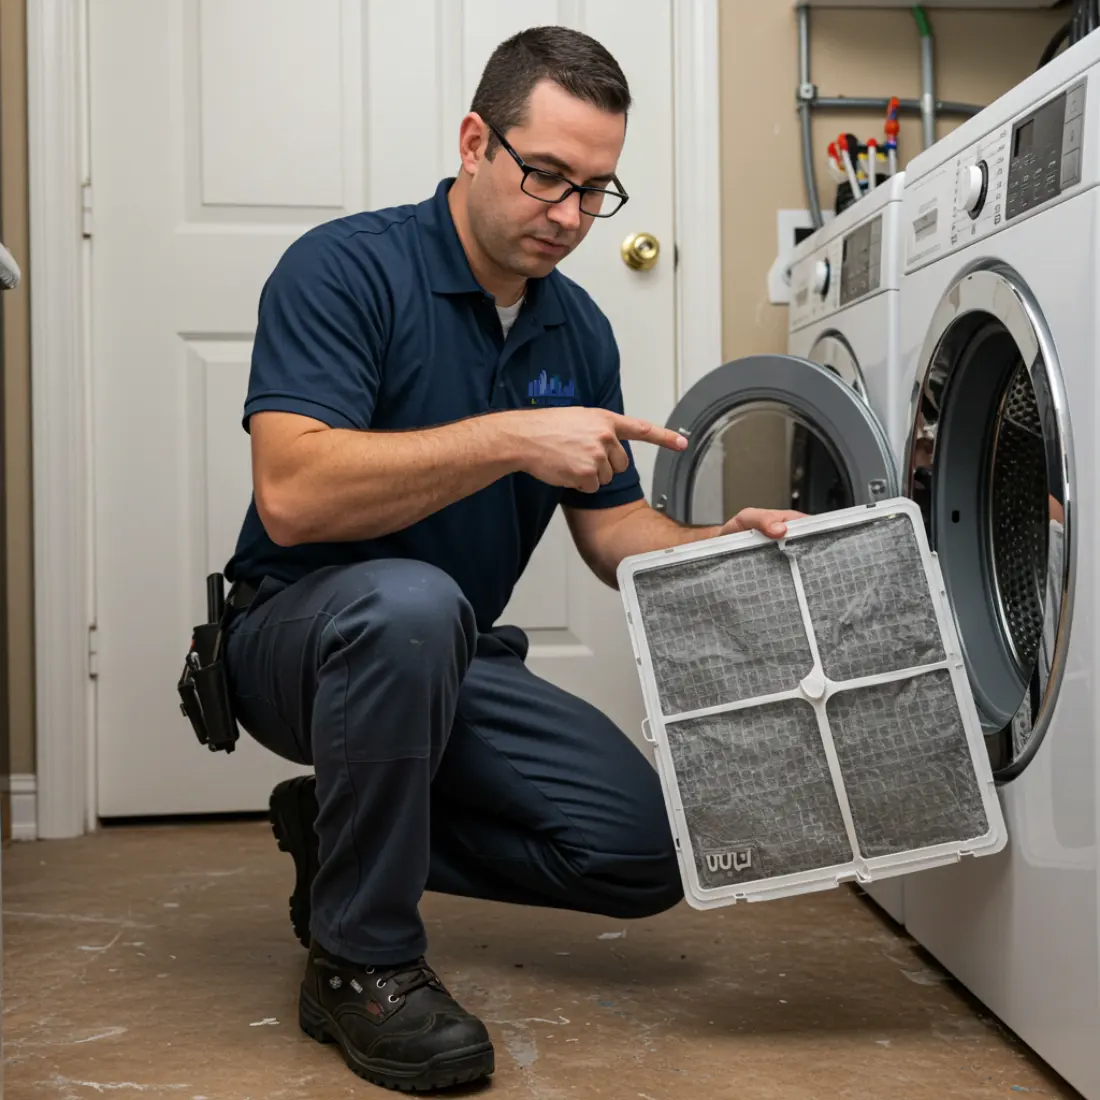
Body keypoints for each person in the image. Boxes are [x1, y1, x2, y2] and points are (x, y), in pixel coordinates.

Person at [222, 25, 800, 1093]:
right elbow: (292, 495)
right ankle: (361, 960)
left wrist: (710, 547)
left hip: (455, 657)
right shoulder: (346, 269)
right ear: (475, 140)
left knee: (642, 853)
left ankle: (336, 825)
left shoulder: (574, 330)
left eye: (596, 190)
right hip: (293, 633)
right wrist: (511, 437)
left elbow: (612, 532)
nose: (572, 215)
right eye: (546, 176)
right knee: (409, 602)